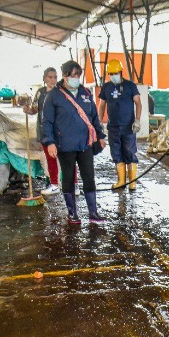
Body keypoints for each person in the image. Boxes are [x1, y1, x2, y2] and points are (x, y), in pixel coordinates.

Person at [41, 60, 106, 224]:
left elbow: (94, 117)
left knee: (89, 177)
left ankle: (93, 213)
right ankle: (72, 213)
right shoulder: (54, 96)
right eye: (73, 75)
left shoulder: (85, 92)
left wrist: (101, 135)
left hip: (85, 144)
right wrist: (50, 142)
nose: (76, 78)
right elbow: (47, 121)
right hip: (65, 145)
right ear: (64, 76)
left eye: (78, 75)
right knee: (68, 178)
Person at [24, 67, 79, 196]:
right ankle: (54, 184)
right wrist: (28, 110)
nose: (53, 80)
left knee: (69, 159)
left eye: (55, 77)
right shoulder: (40, 93)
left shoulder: (62, 92)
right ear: (44, 78)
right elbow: (35, 110)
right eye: (50, 77)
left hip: (62, 131)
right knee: (51, 159)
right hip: (45, 131)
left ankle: (74, 184)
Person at [98, 59, 142, 191]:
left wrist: (137, 120)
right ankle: (121, 181)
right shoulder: (106, 87)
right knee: (116, 154)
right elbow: (101, 105)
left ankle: (132, 182)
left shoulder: (130, 86)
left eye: (115, 73)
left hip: (128, 127)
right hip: (113, 128)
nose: (113, 76)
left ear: (121, 72)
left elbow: (138, 103)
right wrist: (99, 121)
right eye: (110, 73)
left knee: (129, 152)